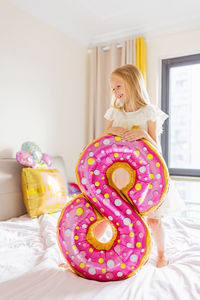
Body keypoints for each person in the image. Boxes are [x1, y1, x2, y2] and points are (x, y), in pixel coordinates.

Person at [95, 64, 185, 268]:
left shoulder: (149, 112)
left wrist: (143, 134)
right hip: (120, 174)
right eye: (113, 88)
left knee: (153, 219)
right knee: (108, 214)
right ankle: (84, 253)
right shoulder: (114, 113)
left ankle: (162, 254)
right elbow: (105, 138)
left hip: (145, 176)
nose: (116, 92)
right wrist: (116, 130)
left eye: (119, 86)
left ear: (132, 84)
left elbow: (156, 149)